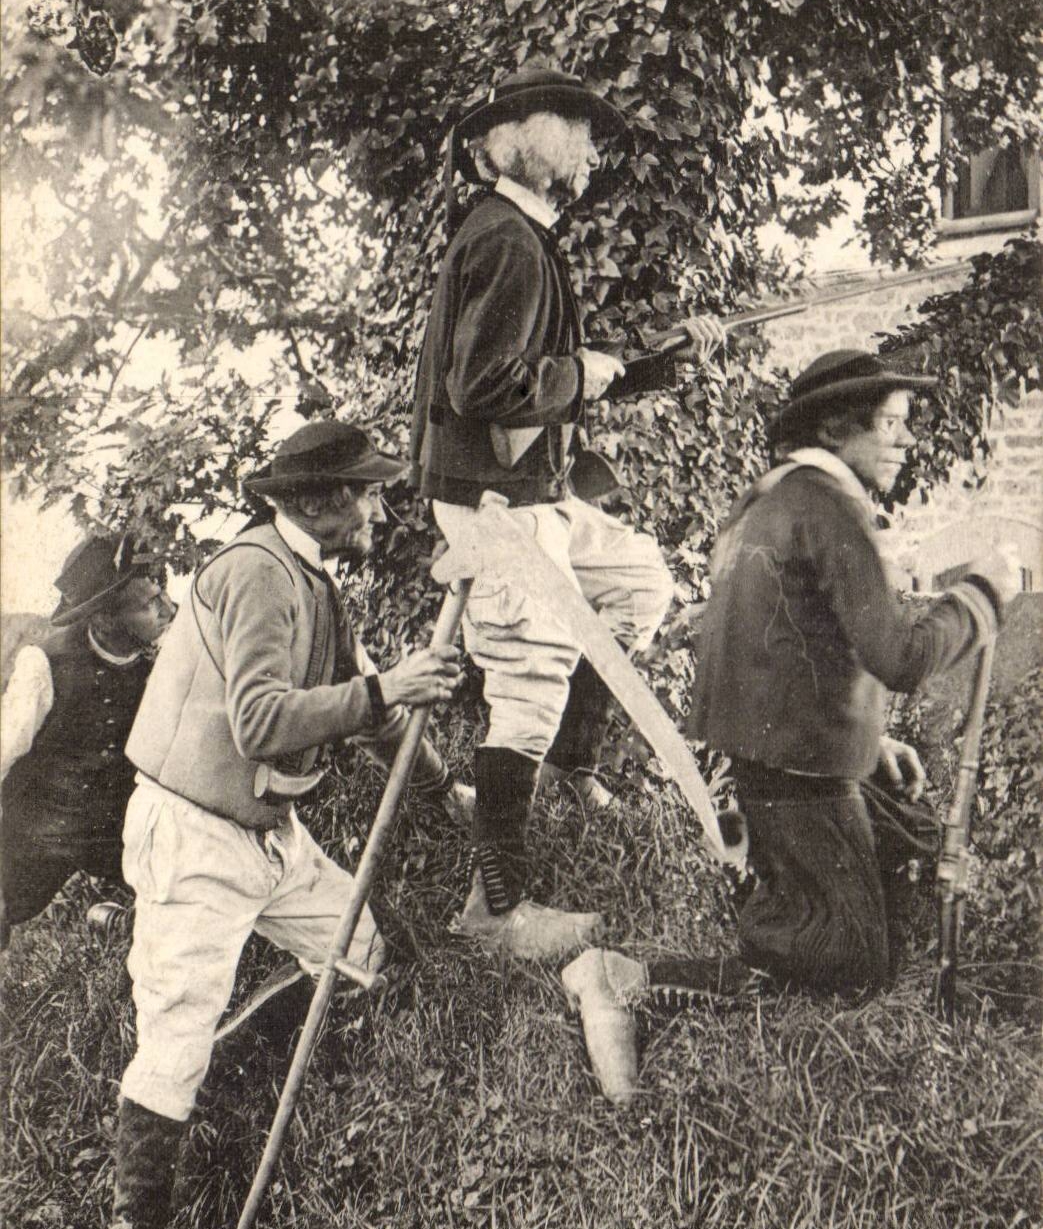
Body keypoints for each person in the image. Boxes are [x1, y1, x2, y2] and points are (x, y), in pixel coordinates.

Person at [97, 421, 470, 1229]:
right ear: (314, 502)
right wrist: (388, 685)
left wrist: (441, 789)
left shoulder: (313, 577)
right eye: (365, 494)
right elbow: (265, 717)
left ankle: (202, 1076)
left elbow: (366, 698)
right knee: (172, 1038)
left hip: (271, 833)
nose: (379, 510)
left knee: (360, 958)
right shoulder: (257, 573)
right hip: (194, 834)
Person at [411, 64, 721, 960]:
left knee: (636, 581)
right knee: (531, 670)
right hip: (493, 506)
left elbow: (541, 388)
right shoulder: (506, 239)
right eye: (578, 129)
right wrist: (579, 372)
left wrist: (660, 362)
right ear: (528, 138)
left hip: (534, 493)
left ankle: (567, 768)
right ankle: (493, 910)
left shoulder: (523, 234)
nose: (591, 148)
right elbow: (483, 390)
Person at [682, 347, 1017, 1002]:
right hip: (798, 770)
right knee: (845, 966)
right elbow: (902, 658)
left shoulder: (775, 495)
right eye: (890, 424)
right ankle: (631, 980)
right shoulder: (830, 507)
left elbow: (792, 646)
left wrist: (868, 742)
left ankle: (796, 914)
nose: (906, 440)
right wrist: (984, 592)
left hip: (774, 756)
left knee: (909, 842)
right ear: (835, 428)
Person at [1, 532, 173, 949]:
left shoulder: (163, 660)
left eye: (162, 593)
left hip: (117, 830)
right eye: (150, 604)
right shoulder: (43, 664)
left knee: (183, 894)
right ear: (103, 619)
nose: (169, 608)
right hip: (35, 832)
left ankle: (119, 922)